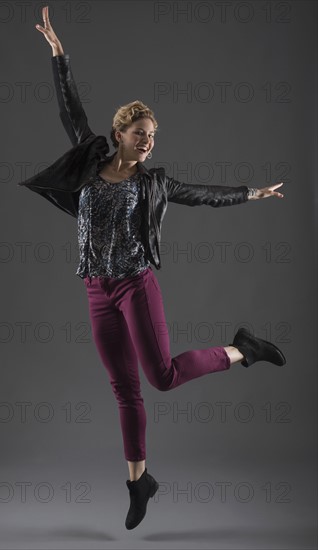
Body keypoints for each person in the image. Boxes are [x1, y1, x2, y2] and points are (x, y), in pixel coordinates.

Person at [25, 6, 286, 531]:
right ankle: (138, 481)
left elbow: (203, 196)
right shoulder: (89, 158)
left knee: (161, 377)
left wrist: (252, 192)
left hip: (135, 285)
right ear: (119, 133)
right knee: (125, 389)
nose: (148, 141)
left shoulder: (154, 184)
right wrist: (58, 55)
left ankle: (242, 349)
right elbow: (69, 109)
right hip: (96, 289)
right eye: (140, 132)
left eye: (153, 136)